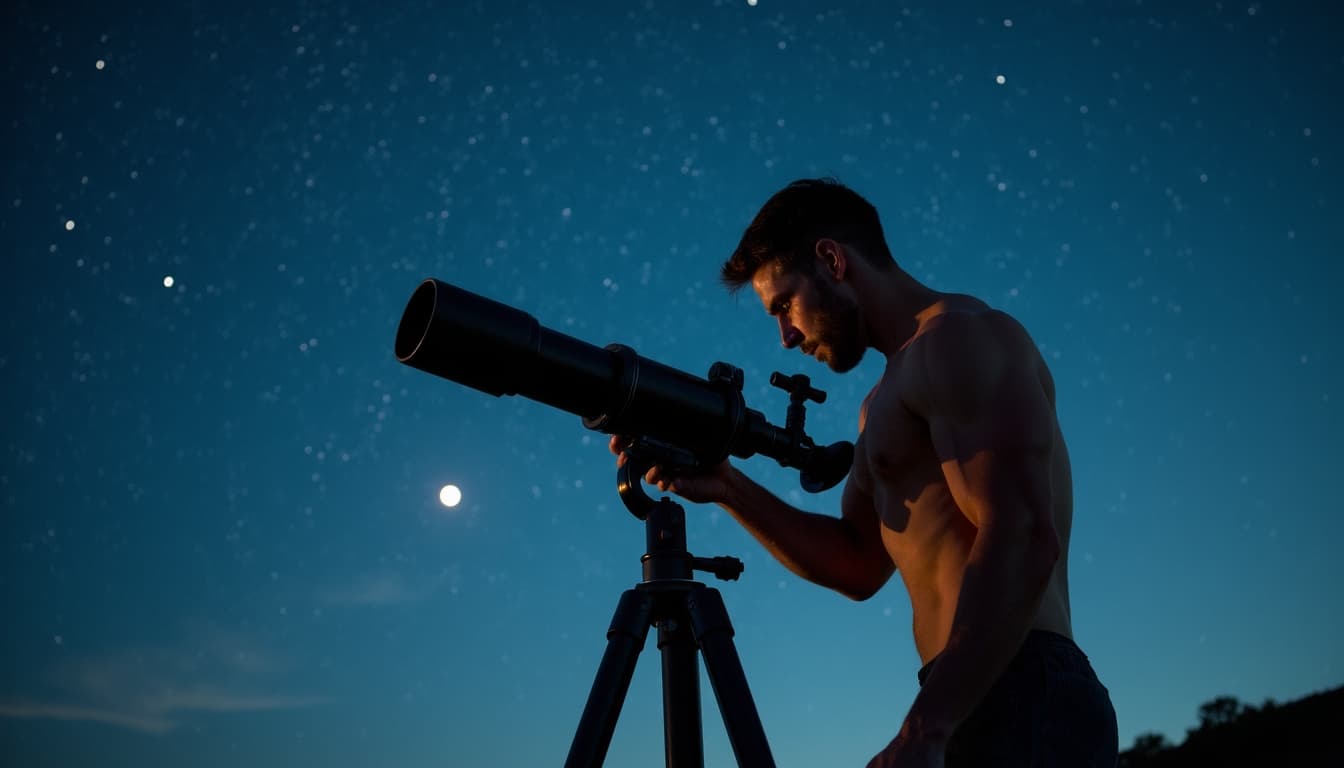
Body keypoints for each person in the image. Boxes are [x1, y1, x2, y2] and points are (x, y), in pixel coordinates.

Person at [610, 178, 1118, 767]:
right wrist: (727, 487)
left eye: (784, 305)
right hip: (964, 690)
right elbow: (856, 563)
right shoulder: (880, 404)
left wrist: (927, 728)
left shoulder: (960, 337)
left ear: (832, 260)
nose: (786, 336)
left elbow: (1024, 535)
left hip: (1020, 682)